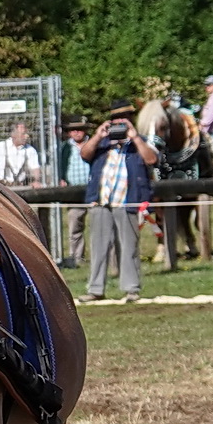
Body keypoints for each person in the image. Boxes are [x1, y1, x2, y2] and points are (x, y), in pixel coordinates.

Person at [79, 100, 158, 303]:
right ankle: (95, 289)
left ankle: (131, 289)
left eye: (124, 118)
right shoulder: (102, 143)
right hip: (101, 202)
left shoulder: (139, 142)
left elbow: (151, 159)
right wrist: (98, 135)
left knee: (129, 247)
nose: (119, 122)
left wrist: (135, 137)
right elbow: (84, 154)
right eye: (115, 119)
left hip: (127, 202)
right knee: (98, 247)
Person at [57, 117, 89, 268]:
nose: (76, 132)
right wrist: (61, 179)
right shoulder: (64, 148)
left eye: (79, 129)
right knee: (75, 225)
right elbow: (59, 166)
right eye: (73, 130)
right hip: (73, 192)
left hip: (93, 190)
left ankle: (101, 257)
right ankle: (77, 257)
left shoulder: (93, 143)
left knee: (100, 225)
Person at [0, 120, 41, 186]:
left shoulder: (30, 150)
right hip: (0, 186)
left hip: (19, 186)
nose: (27, 136)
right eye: (23, 134)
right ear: (13, 135)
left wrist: (36, 181)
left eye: (26, 133)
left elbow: (35, 168)